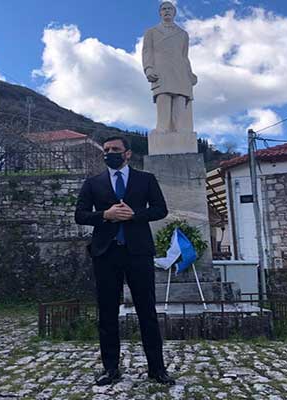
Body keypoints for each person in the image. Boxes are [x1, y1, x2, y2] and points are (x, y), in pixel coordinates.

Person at [75, 136, 175, 386]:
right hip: (105, 253)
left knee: (147, 311)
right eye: (107, 149)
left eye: (115, 149)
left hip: (138, 252)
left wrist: (134, 215)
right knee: (107, 312)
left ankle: (157, 369)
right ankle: (110, 368)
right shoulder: (93, 183)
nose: (110, 153)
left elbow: (160, 209)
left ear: (127, 153)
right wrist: (105, 215)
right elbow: (80, 215)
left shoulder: (146, 179)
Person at [142, 1, 198, 133]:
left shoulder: (183, 34)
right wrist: (149, 68)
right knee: (163, 96)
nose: (166, 11)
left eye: (169, 9)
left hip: (180, 71)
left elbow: (184, 56)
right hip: (161, 70)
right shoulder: (151, 32)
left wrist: (190, 73)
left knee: (180, 98)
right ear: (160, 13)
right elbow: (147, 52)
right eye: (163, 9)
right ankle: (162, 128)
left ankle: (180, 129)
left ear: (174, 12)